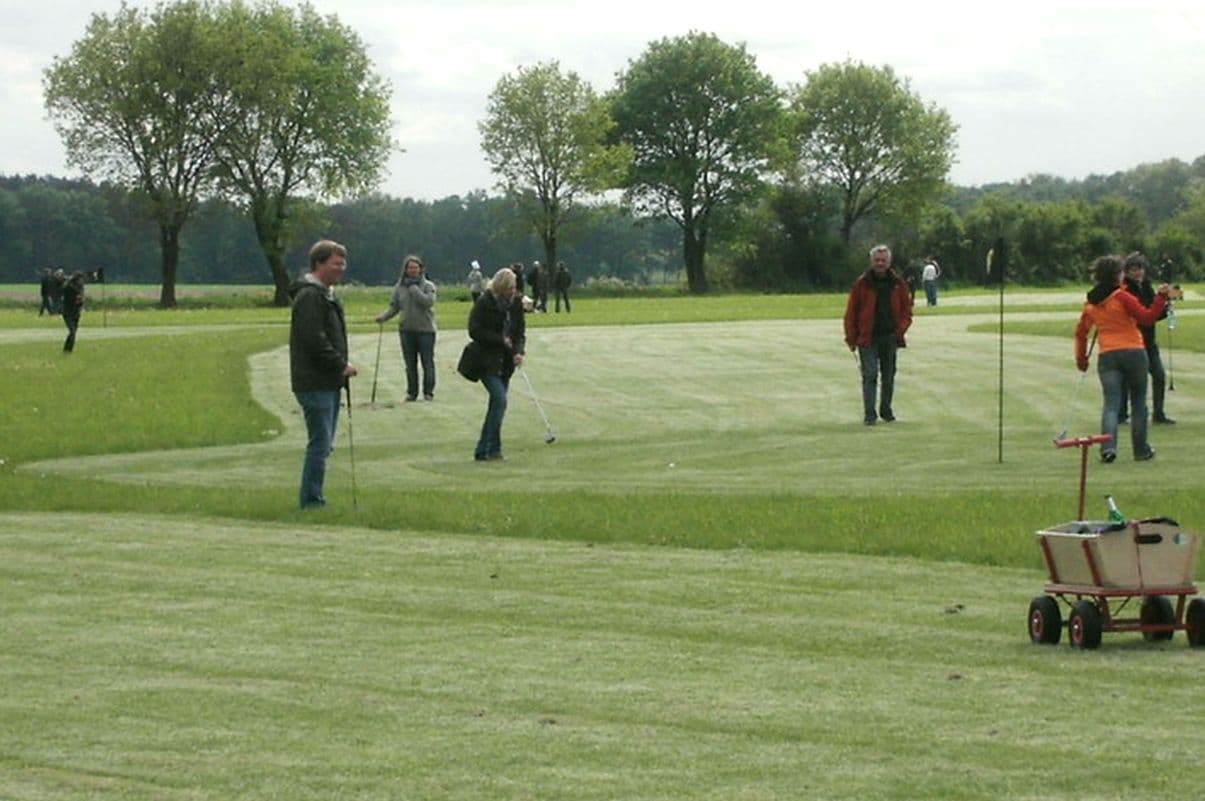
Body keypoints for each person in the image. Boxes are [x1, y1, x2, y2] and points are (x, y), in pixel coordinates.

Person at [1075, 254, 1170, 463]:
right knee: (1138, 403)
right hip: (1134, 351)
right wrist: (1161, 298)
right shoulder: (1122, 296)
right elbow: (1147, 318)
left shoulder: (1091, 302)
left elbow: (1081, 332)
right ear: (1117, 276)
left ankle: (1108, 448)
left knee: (1111, 404)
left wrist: (1081, 359)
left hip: (1108, 355)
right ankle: (1141, 450)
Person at [289, 240, 357, 509]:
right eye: (336, 263)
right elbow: (314, 340)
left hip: (327, 381)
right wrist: (340, 365)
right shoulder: (310, 297)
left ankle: (314, 497)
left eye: (343, 263)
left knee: (324, 443)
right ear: (319, 264)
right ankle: (311, 500)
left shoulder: (326, 295)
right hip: (313, 381)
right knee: (320, 443)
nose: (342, 269)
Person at [843, 245, 913, 426]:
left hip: (890, 336)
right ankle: (870, 414)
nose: (880, 263)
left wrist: (900, 331)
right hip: (867, 338)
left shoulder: (898, 283)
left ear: (889, 262)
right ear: (871, 262)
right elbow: (851, 313)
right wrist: (851, 338)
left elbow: (907, 310)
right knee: (870, 375)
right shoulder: (861, 283)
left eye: (883, 260)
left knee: (888, 376)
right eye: (877, 260)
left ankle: (886, 410)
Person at [463, 267, 525, 461]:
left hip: (506, 363)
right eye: (509, 288)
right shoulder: (484, 302)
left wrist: (519, 352)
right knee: (500, 400)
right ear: (500, 287)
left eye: (514, 288)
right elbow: (474, 330)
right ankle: (488, 448)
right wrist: (499, 339)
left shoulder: (515, 304)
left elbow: (520, 333)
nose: (512, 291)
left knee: (497, 405)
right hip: (486, 360)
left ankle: (489, 449)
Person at [1118, 252, 1174, 425]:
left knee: (1159, 375)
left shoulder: (1146, 286)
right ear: (1126, 272)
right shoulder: (1125, 290)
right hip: (1132, 341)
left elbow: (1153, 314)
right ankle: (1121, 414)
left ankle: (1158, 413)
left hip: (1149, 340)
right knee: (1128, 379)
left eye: (1140, 269)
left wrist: (1165, 308)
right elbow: (1142, 314)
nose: (1137, 273)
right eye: (1133, 270)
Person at [375, 255, 438, 402]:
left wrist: (415, 290)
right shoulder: (399, 287)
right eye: (410, 268)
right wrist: (383, 317)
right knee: (410, 364)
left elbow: (428, 302)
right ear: (405, 269)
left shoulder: (428, 286)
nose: (413, 270)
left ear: (421, 269)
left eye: (416, 267)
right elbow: (395, 307)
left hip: (426, 331)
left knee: (427, 362)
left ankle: (428, 392)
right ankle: (412, 393)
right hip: (406, 330)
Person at [61, 271, 86, 352]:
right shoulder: (69, 287)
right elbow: (63, 289)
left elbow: (80, 300)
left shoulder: (80, 288)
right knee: (72, 332)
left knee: (73, 333)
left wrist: (81, 302)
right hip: (68, 313)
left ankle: (68, 350)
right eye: (81, 279)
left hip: (76, 313)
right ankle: (67, 349)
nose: (82, 281)